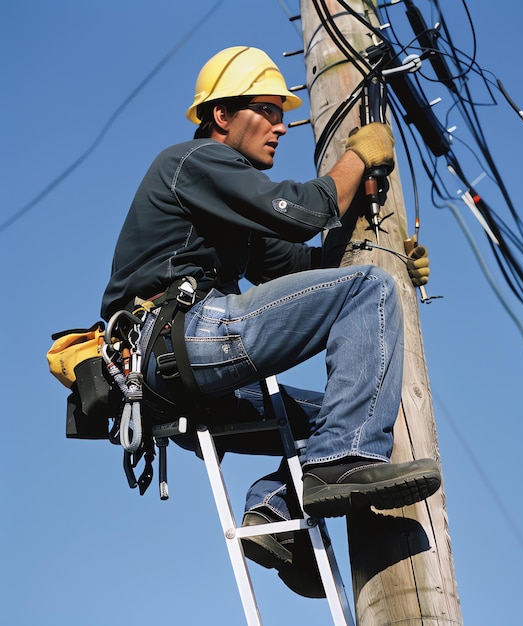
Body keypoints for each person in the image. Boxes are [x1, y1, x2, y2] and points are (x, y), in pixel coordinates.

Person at [101, 46, 440, 597]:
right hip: (181, 337)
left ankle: (272, 505)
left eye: (284, 114)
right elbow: (305, 210)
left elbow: (303, 266)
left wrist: (390, 254)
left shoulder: (225, 202)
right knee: (368, 292)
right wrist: (356, 159)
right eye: (269, 111)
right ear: (221, 116)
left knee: (340, 411)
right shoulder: (196, 163)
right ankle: (338, 465)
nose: (281, 127)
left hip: (174, 375)